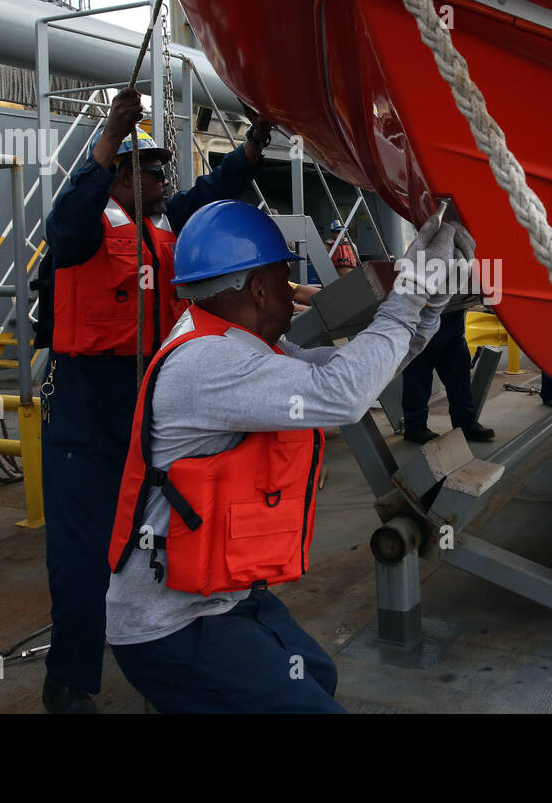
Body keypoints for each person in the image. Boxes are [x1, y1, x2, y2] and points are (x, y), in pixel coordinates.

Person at [104, 200, 470, 712]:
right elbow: (342, 392)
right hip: (171, 624)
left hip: (222, 596)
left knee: (317, 675)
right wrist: (407, 295)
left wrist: (429, 305)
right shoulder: (209, 364)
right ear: (257, 287)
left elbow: (352, 367)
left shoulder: (240, 345)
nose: (290, 294)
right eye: (284, 280)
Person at [39, 86, 286, 714]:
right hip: (87, 403)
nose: (160, 179)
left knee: (155, 527)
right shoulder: (87, 226)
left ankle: (168, 641)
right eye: (148, 169)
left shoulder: (162, 225)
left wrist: (254, 144)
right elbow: (62, 228)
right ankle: (68, 681)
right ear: (121, 174)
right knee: (83, 545)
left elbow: (212, 193)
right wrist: (108, 136)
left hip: (148, 391)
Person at [401, 308, 494, 444]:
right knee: (417, 381)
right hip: (421, 328)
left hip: (452, 326)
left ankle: (466, 423)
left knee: (459, 378)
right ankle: (415, 427)